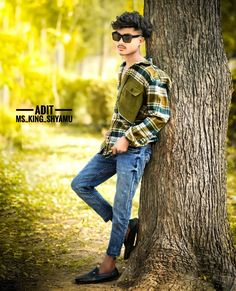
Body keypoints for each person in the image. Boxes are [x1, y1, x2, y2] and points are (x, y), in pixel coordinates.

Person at [71, 11, 171, 284]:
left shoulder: (153, 75)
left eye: (127, 37)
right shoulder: (123, 69)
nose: (120, 41)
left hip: (134, 150)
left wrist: (128, 137)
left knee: (122, 203)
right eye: (117, 36)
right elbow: (124, 111)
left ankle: (108, 265)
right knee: (80, 184)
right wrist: (114, 133)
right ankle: (126, 226)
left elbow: (159, 116)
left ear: (141, 40)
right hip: (112, 147)